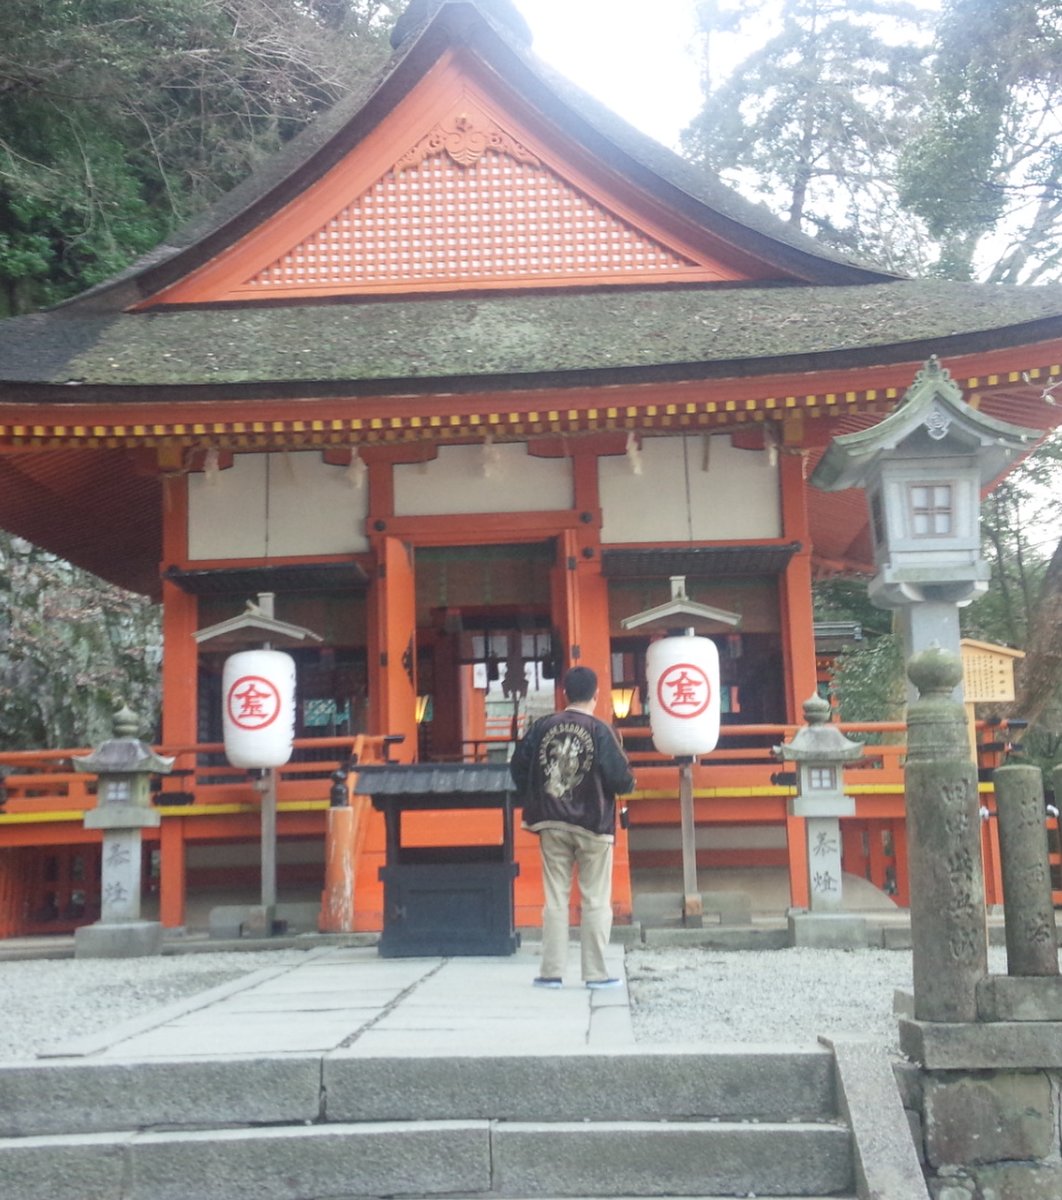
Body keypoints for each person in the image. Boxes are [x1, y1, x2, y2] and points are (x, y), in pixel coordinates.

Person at [510, 665, 635, 989]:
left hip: (550, 819)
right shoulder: (601, 730)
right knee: (595, 899)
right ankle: (595, 974)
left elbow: (518, 767)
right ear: (595, 695)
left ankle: (551, 972)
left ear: (564, 693)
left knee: (555, 898)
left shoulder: (542, 727)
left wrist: (535, 793)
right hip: (593, 823)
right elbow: (622, 779)